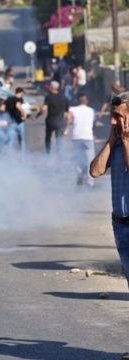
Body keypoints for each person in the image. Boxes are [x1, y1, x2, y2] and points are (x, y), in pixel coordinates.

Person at [90, 92, 129, 293]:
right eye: (112, 116)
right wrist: (112, 140)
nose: (113, 121)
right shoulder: (115, 143)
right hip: (119, 223)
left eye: (118, 116)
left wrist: (127, 139)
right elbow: (95, 171)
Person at [67, 93, 96, 187]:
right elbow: (94, 123)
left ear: (78, 101)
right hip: (88, 137)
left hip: (76, 137)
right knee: (90, 161)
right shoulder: (92, 110)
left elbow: (68, 119)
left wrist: (67, 127)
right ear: (86, 101)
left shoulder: (72, 109)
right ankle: (90, 182)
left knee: (78, 159)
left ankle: (79, 176)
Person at [36, 81, 69, 155]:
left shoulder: (48, 97)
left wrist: (36, 116)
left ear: (53, 88)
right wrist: (66, 126)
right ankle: (60, 155)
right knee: (59, 139)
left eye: (49, 87)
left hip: (50, 121)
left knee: (48, 138)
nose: (48, 88)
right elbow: (67, 114)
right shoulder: (64, 98)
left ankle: (48, 154)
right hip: (60, 122)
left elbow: (43, 109)